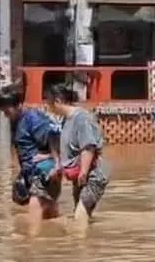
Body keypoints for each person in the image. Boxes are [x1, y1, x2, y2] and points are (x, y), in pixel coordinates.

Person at [43, 83, 110, 225]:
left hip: (93, 174)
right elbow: (67, 151)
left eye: (49, 103)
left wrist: (84, 172)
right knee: (81, 215)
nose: (48, 108)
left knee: (80, 215)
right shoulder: (65, 121)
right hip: (79, 176)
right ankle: (87, 244)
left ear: (57, 102)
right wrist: (58, 167)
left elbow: (88, 147)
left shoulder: (81, 118)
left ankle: (80, 245)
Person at [0, 85, 62, 224]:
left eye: (7, 110)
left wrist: (52, 158)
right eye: (3, 110)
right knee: (48, 214)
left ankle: (30, 243)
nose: (5, 114)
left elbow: (55, 137)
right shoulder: (16, 121)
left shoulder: (33, 119)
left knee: (35, 209)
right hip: (32, 171)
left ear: (19, 105)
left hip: (44, 170)